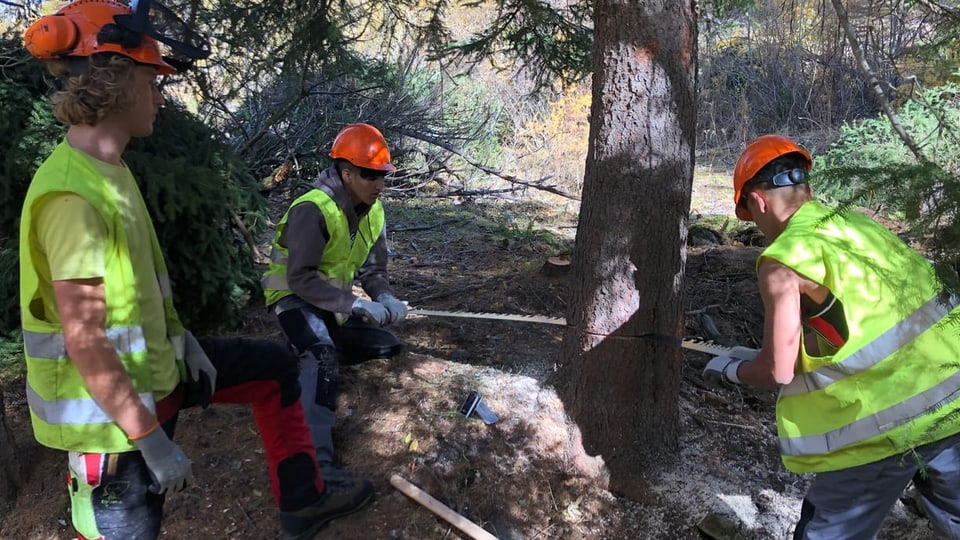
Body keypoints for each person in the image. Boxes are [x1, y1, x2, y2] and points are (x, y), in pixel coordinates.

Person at [19, 2, 372, 539]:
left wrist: (181, 339)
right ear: (114, 80)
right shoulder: (73, 195)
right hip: (111, 429)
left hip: (157, 374)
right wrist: (151, 441)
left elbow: (136, 295)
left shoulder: (110, 170)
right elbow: (87, 341)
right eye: (153, 79)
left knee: (275, 369)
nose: (161, 95)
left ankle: (304, 499)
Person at [702, 134, 960, 539]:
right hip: (952, 402)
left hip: (878, 426)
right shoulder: (857, 223)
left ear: (758, 202)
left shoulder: (784, 259)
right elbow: (858, 322)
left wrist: (733, 370)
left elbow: (778, 372)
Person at [261, 123, 407, 482]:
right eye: (370, 175)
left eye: (382, 175)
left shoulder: (374, 212)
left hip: (330, 305)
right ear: (346, 174)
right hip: (292, 299)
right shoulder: (313, 209)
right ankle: (316, 465)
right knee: (322, 356)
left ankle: (312, 347)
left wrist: (383, 296)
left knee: (386, 345)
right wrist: (353, 305)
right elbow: (300, 277)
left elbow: (373, 268)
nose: (379, 183)